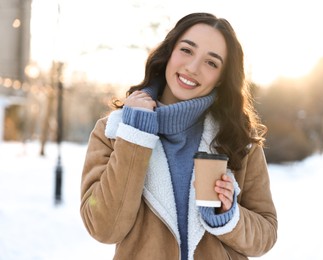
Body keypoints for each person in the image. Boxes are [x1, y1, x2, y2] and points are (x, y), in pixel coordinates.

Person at [80, 12, 277, 260]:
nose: (192, 68)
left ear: (221, 79)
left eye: (211, 63)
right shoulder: (114, 131)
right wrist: (135, 134)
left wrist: (228, 215)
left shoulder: (237, 139)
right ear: (169, 52)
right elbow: (103, 228)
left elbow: (266, 234)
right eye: (186, 50)